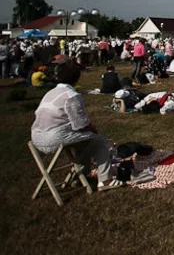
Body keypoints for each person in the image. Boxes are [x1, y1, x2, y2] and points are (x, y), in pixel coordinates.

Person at [30, 62, 123, 190]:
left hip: (37, 137)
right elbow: (81, 124)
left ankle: (80, 177)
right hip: (54, 138)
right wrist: (96, 132)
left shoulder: (50, 93)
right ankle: (105, 180)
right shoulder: (71, 96)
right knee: (99, 142)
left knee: (83, 143)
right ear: (76, 78)